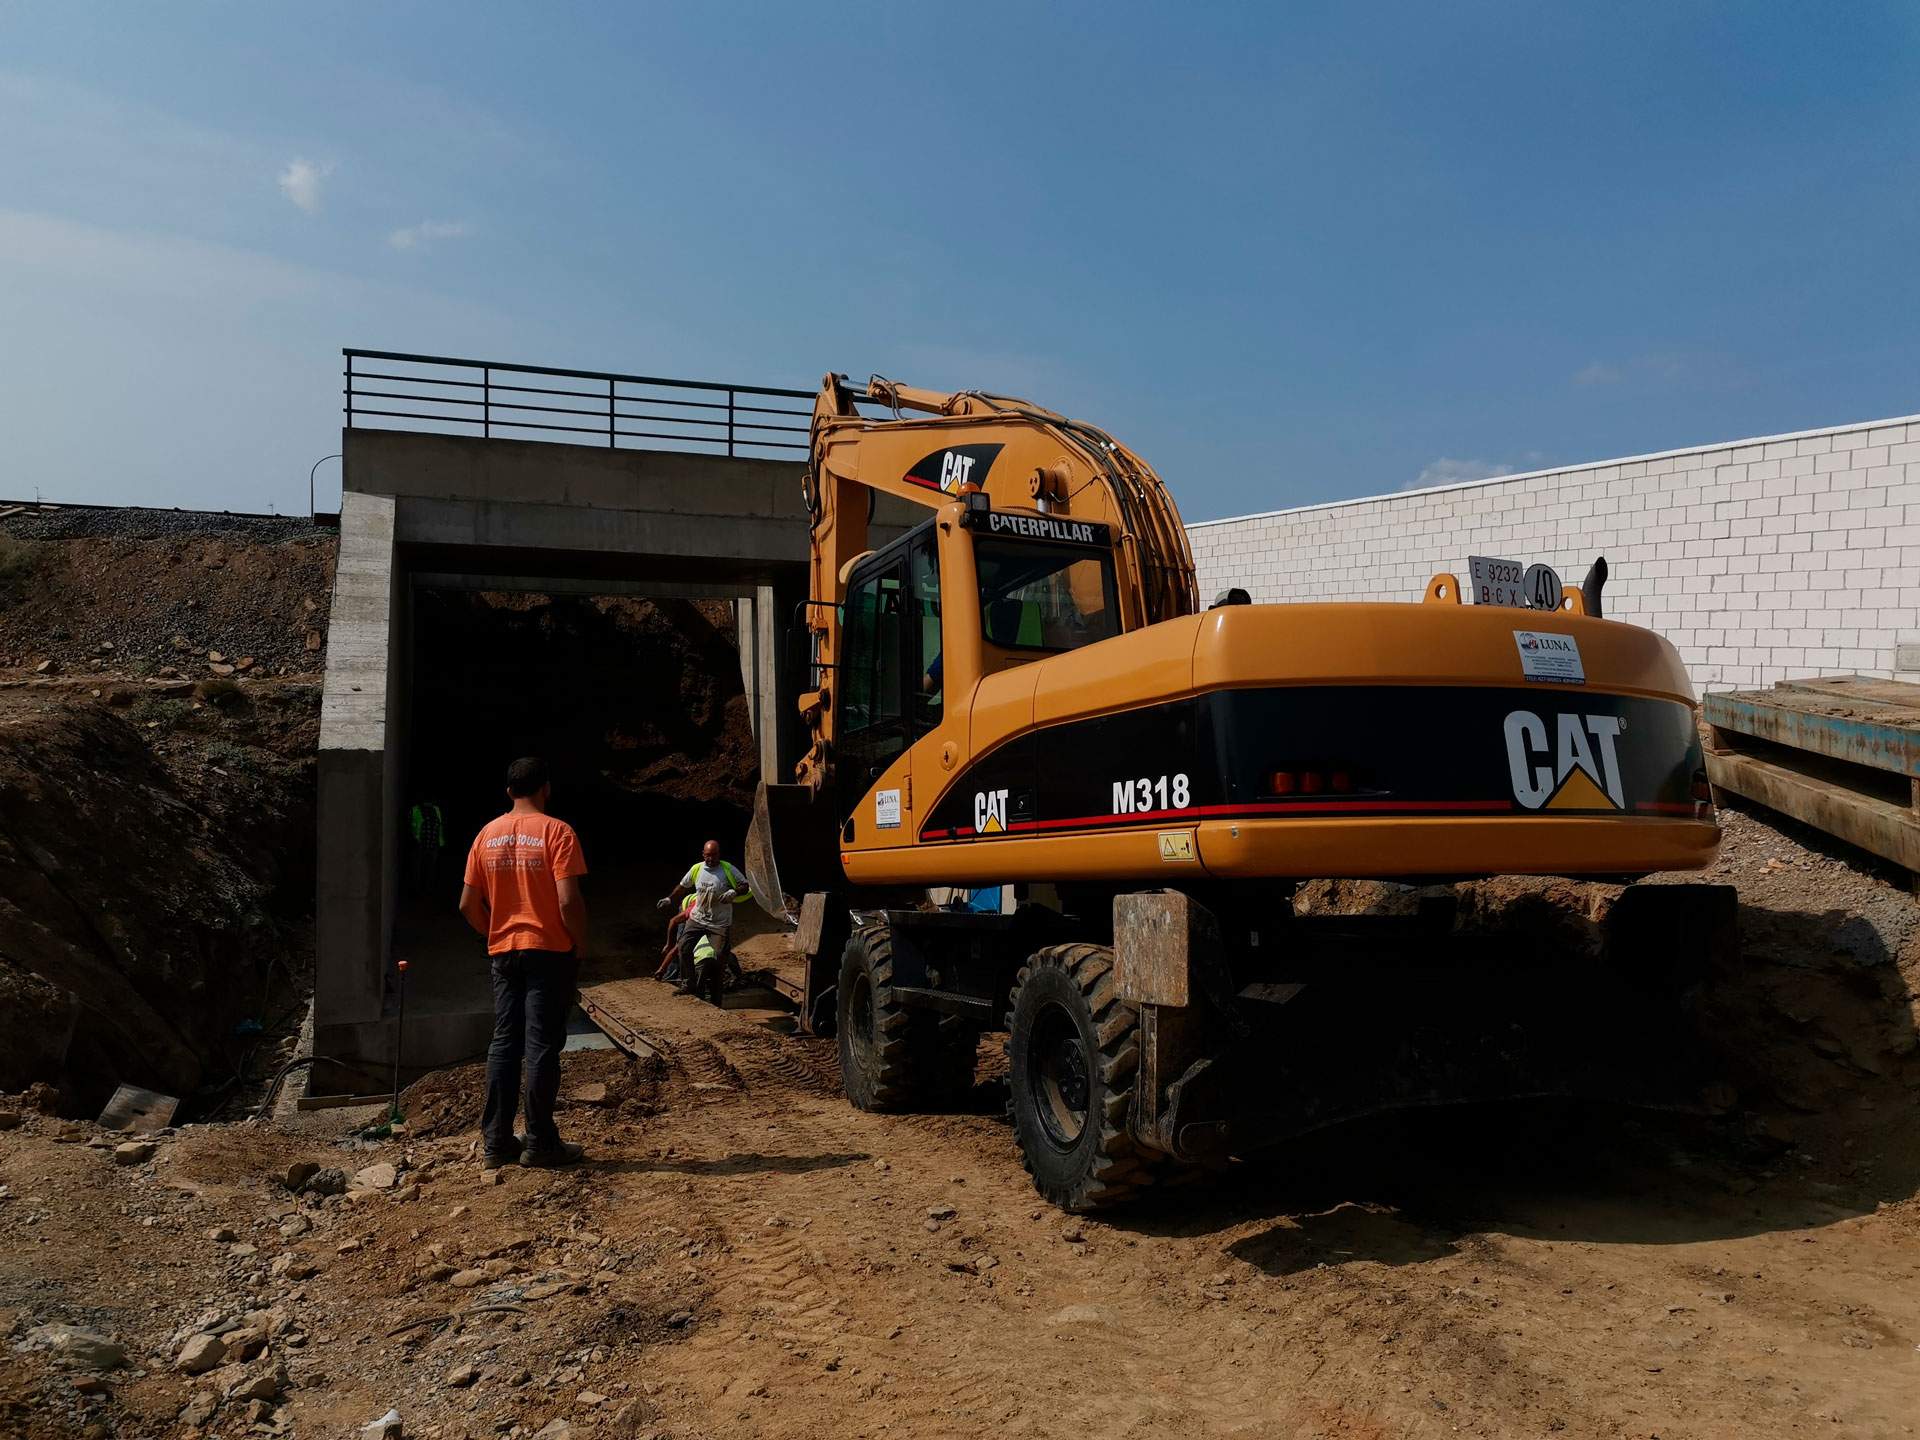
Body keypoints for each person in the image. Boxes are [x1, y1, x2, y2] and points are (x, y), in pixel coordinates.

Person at [457, 756, 588, 1171]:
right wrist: (578, 943)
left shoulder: (486, 835)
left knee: (504, 1043)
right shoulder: (558, 833)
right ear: (545, 788)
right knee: (542, 1046)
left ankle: (496, 1143)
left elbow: (466, 904)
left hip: (504, 953)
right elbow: (568, 900)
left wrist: (495, 932)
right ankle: (541, 1142)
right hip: (548, 951)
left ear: (509, 791)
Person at [656, 840, 750, 996]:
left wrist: (734, 892)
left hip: (719, 923)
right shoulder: (697, 869)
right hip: (698, 919)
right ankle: (689, 983)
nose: (711, 859)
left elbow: (744, 885)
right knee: (684, 948)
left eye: (714, 855)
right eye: (708, 856)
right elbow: (682, 886)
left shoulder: (727, 868)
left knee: (720, 957)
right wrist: (669, 898)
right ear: (703, 854)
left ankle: (716, 994)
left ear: (719, 854)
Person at [408, 797, 447, 894]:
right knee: (419, 870)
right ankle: (418, 892)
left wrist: (440, 843)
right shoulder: (416, 809)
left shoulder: (435, 809)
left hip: (430, 845)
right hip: (420, 845)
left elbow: (440, 826)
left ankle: (426, 892)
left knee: (428, 870)